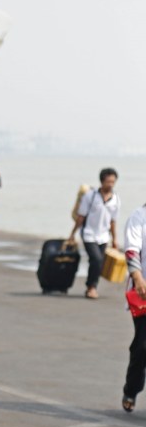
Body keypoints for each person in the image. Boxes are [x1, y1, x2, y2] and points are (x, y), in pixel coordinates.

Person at [68, 168, 120, 299]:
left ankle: (92, 287)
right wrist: (72, 234)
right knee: (96, 259)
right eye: (108, 181)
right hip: (88, 234)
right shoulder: (90, 196)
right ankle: (91, 287)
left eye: (113, 182)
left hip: (103, 236)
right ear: (102, 181)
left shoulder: (116, 200)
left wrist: (114, 239)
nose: (111, 184)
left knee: (98, 261)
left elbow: (113, 221)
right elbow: (81, 216)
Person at [122, 205, 146, 412]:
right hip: (143, 293)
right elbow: (131, 250)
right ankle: (132, 389)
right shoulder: (139, 217)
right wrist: (137, 278)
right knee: (142, 346)